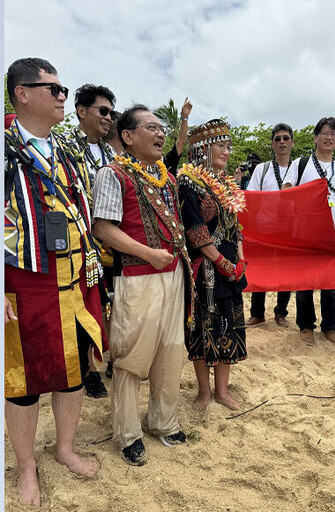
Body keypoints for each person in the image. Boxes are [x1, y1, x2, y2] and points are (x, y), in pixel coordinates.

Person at [4, 57, 106, 506]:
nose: (64, 96)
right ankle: (26, 466)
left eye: (63, 89)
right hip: (24, 282)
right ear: (22, 93)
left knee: (74, 370)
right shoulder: (4, 150)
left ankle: (63, 447)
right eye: (54, 89)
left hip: (77, 278)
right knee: (22, 380)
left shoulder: (67, 152)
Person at [92, 104, 194, 466]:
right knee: (132, 355)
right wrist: (148, 253)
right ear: (129, 137)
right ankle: (128, 432)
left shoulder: (163, 174)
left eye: (161, 127)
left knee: (170, 349)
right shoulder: (112, 173)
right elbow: (103, 228)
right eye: (151, 127)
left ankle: (163, 422)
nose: (160, 133)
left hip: (174, 274)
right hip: (138, 277)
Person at [178, 119, 248, 410]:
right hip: (205, 269)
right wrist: (220, 262)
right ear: (202, 148)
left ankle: (222, 390)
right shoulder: (188, 182)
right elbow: (195, 229)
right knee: (202, 328)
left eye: (228, 146)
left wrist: (240, 260)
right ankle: (204, 391)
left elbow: (235, 226)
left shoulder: (226, 184)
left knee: (228, 325)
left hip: (230, 266)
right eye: (221, 145)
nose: (227, 152)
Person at [64, 83, 118, 398]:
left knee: (113, 306)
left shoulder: (112, 152)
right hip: (84, 242)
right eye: (103, 111)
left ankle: (111, 358)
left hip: (114, 240)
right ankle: (89, 368)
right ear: (82, 111)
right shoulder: (66, 147)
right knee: (87, 305)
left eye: (111, 112)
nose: (108, 117)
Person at [282, 117, 335, 347]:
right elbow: (286, 189)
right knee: (305, 283)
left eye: (333, 133)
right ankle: (305, 326)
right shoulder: (301, 164)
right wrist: (293, 192)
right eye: (324, 132)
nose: (329, 137)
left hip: (332, 235)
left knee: (330, 283)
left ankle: (330, 327)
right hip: (304, 235)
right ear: (315, 137)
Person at [245, 123, 295, 328]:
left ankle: (281, 312)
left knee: (286, 271)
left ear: (292, 142)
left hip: (289, 230)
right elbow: (251, 198)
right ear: (272, 144)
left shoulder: (299, 168)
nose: (282, 142)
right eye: (277, 139)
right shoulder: (261, 169)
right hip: (263, 229)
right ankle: (257, 313)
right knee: (260, 269)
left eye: (285, 138)